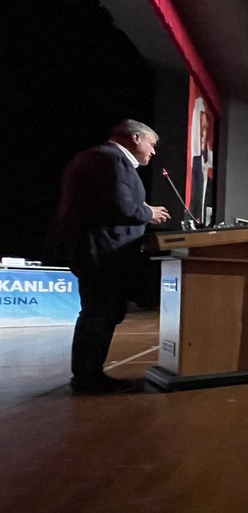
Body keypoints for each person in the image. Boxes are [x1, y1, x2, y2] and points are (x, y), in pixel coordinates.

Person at [52, 120, 170, 393]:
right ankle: (87, 377)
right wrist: (148, 213)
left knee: (101, 313)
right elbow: (121, 205)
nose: (153, 152)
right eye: (152, 144)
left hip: (98, 249)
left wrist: (143, 209)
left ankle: (89, 374)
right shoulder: (112, 160)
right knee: (99, 314)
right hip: (104, 252)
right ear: (137, 138)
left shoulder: (98, 157)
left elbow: (110, 202)